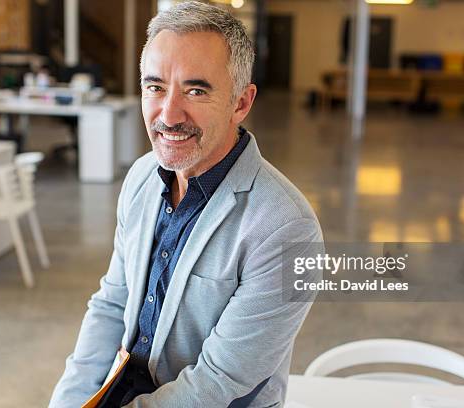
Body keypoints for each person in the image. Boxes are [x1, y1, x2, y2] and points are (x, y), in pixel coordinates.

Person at [49, 2, 323, 407]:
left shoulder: (286, 228)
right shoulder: (143, 176)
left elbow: (219, 382)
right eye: (155, 87)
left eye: (196, 90)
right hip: (126, 389)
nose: (168, 113)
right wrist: (69, 401)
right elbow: (113, 302)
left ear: (241, 103)